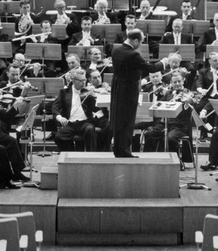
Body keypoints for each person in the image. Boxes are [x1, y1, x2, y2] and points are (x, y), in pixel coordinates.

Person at [109, 28, 149, 158]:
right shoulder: (132, 54)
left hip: (117, 89)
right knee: (127, 122)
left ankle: (118, 151)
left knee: (119, 121)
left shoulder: (116, 50)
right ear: (136, 40)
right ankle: (125, 152)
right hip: (129, 92)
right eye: (141, 42)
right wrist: (164, 63)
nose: (140, 45)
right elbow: (149, 68)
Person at [51, 69, 103, 151]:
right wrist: (60, 118)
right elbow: (55, 107)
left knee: (90, 130)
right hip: (70, 123)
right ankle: (71, 153)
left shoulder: (88, 92)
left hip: (85, 122)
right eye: (81, 81)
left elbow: (96, 108)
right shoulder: (64, 92)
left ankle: (91, 156)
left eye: (84, 80)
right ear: (73, 80)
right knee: (58, 137)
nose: (83, 83)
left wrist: (95, 96)